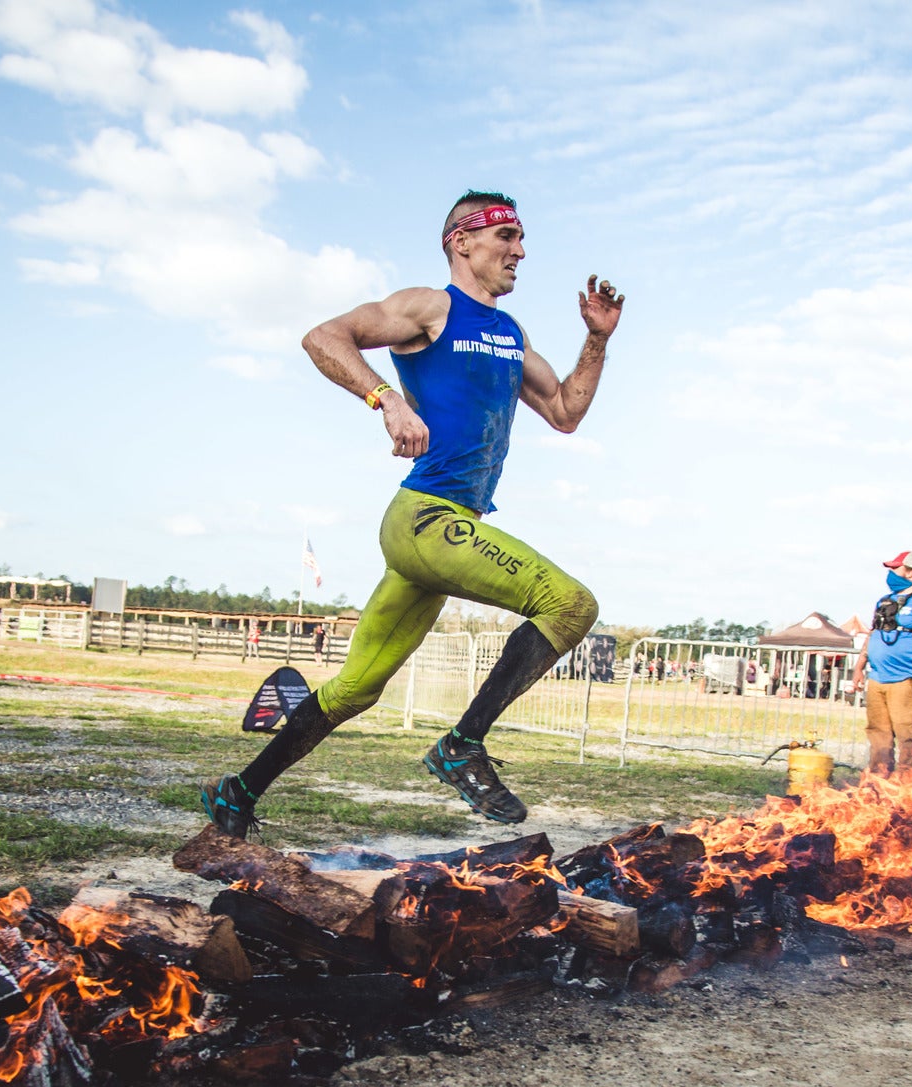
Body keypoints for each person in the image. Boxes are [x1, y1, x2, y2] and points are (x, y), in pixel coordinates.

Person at [200, 190, 623, 836]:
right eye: (506, 235)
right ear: (462, 240)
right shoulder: (431, 309)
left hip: (445, 534)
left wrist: (595, 339)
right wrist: (387, 400)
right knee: (571, 604)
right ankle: (462, 746)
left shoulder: (512, 337)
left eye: (522, 237)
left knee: (354, 689)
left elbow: (565, 411)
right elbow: (323, 337)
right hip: (425, 518)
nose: (521, 250)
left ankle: (238, 792)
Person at [853, 550, 912, 775]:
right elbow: (872, 634)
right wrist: (859, 667)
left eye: (895, 568)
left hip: (905, 681)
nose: (890, 573)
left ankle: (908, 787)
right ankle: (879, 783)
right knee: (878, 736)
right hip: (877, 680)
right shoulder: (884, 602)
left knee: (908, 738)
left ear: (911, 572)